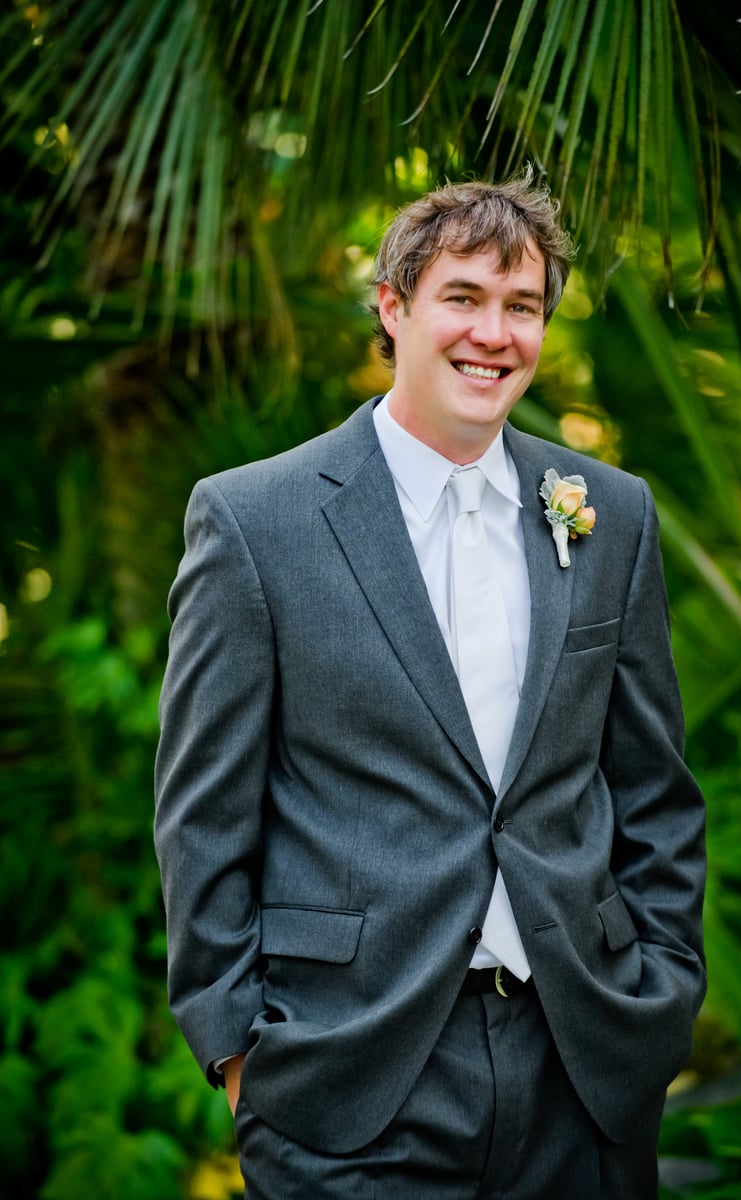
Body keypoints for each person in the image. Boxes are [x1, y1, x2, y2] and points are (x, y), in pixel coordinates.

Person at [154, 169, 706, 1199]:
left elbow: (653, 789)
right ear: (393, 306)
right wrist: (236, 1051)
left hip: (581, 1065)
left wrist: (661, 992)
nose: (494, 334)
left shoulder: (608, 513)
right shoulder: (254, 522)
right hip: (349, 1073)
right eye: (463, 297)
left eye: (522, 306)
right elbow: (203, 816)